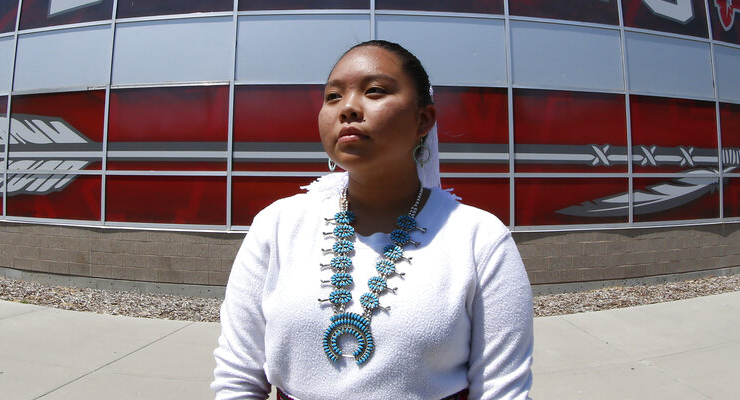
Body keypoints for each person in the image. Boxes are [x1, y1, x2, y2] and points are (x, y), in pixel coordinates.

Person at [212, 40, 534, 399]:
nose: (348, 107)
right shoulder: (277, 225)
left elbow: (502, 391)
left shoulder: (479, 238)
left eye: (375, 91)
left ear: (423, 119)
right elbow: (237, 378)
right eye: (333, 96)